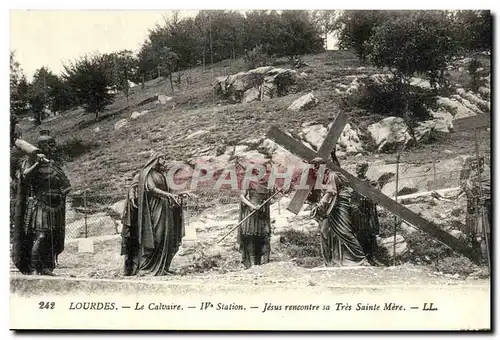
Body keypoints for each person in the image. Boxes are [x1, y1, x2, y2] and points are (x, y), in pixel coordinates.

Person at [12, 133, 71, 275]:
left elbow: (67, 185)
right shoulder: (30, 161)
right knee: (41, 236)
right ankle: (33, 267)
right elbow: (25, 175)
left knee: (53, 236)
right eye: (50, 145)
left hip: (56, 208)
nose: (54, 148)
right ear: (42, 147)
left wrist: (60, 195)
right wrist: (38, 162)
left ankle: (47, 266)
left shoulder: (53, 165)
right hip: (41, 206)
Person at [129, 152, 186, 276]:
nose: (165, 161)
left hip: (165, 208)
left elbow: (167, 190)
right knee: (157, 236)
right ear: (155, 159)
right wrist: (169, 195)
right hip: (154, 209)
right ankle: (146, 267)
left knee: (167, 236)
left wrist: (177, 195)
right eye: (162, 158)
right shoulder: (148, 174)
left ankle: (162, 268)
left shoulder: (161, 175)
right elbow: (151, 188)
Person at [308, 157, 368, 267]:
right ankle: (330, 262)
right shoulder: (321, 177)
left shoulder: (332, 175)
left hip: (339, 206)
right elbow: (321, 193)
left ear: (320, 167)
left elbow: (330, 193)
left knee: (344, 232)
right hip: (330, 208)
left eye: (315, 169)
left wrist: (320, 206)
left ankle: (361, 259)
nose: (314, 172)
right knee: (324, 232)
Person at [432, 156, 491, 260]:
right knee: (473, 236)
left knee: (482, 237)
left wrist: (486, 198)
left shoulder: (488, 177)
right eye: (472, 165)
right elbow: (455, 196)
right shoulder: (468, 181)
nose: (474, 167)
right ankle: (478, 260)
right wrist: (440, 197)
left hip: (482, 209)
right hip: (471, 211)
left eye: (477, 164)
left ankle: (488, 262)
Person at [237, 160, 276, 269]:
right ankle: (252, 265)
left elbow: (272, 198)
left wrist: (273, 200)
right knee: (251, 237)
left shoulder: (268, 183)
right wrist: (252, 206)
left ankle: (265, 264)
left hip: (263, 213)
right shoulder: (248, 180)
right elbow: (242, 197)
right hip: (252, 212)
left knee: (265, 237)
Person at [351, 162, 382, 266]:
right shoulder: (352, 181)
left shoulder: (370, 182)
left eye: (360, 167)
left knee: (370, 234)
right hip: (356, 212)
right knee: (358, 234)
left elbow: (376, 197)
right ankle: (360, 257)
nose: (357, 169)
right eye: (357, 167)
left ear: (365, 169)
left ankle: (371, 257)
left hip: (368, 211)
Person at [121, 173, 140, 276]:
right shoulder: (130, 198)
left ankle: (135, 269)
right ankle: (128, 269)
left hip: (137, 221)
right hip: (130, 222)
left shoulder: (138, 195)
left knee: (136, 245)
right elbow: (132, 191)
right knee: (128, 246)